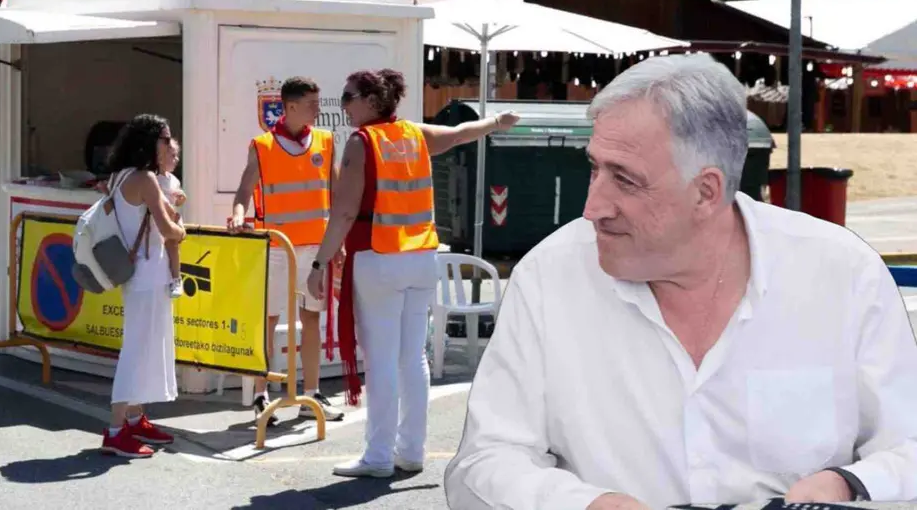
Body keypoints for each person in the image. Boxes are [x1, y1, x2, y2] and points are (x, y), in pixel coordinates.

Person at [444, 53, 917, 509]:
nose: (593, 207)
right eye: (595, 168)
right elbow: (483, 463)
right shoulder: (550, 277)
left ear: (706, 192)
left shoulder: (841, 273)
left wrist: (847, 482)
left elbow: (909, 445)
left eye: (625, 180)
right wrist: (587, 505)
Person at [305, 68, 519, 478]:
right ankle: (411, 451)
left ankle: (378, 457)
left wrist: (319, 262)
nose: (344, 104)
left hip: (379, 257)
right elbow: (459, 134)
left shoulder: (361, 142)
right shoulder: (412, 134)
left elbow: (345, 211)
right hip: (422, 256)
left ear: (371, 101)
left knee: (382, 360)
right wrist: (496, 123)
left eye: (349, 97)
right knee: (412, 358)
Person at [227, 76, 344, 424]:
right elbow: (243, 192)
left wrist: (337, 243)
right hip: (277, 247)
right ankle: (262, 395)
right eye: (311, 102)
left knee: (312, 318)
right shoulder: (262, 145)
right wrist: (236, 216)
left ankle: (312, 393)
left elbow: (337, 196)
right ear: (290, 106)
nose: (317, 108)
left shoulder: (325, 140)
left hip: (315, 249)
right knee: (270, 319)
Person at [100, 114, 186, 458]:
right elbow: (170, 230)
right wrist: (182, 230)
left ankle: (134, 419)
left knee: (143, 347)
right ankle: (117, 429)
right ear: (149, 142)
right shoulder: (146, 178)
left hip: (138, 273)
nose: (169, 144)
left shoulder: (120, 176)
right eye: (165, 139)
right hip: (149, 273)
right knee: (138, 350)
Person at [158, 137, 186, 298]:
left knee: (173, 245)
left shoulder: (174, 180)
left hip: (172, 220)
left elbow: (178, 201)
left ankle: (176, 279)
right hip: (156, 220)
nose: (176, 160)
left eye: (177, 156)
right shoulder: (152, 179)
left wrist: (182, 199)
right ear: (160, 157)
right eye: (172, 156)